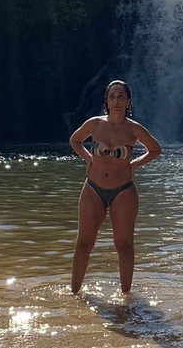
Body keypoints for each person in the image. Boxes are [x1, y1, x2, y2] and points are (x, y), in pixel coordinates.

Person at [69, 80, 162, 294]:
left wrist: (134, 164)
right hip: (93, 189)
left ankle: (125, 297)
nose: (116, 100)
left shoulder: (134, 129)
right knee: (83, 244)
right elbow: (75, 141)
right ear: (107, 101)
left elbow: (155, 150)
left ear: (128, 101)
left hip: (123, 192)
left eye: (121, 96)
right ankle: (73, 293)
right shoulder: (95, 124)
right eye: (112, 96)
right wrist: (89, 159)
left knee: (124, 246)